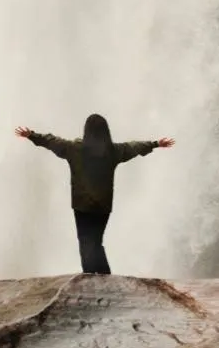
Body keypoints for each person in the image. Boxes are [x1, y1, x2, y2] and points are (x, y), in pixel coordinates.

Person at [15, 114, 174, 275]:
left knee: (86, 242)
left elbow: (52, 141)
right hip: (103, 206)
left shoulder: (74, 149)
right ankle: (104, 275)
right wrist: (155, 144)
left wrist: (32, 135)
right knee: (96, 242)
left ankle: (92, 276)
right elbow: (134, 147)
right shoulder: (113, 151)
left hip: (82, 205)